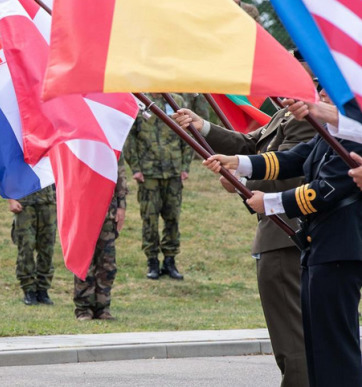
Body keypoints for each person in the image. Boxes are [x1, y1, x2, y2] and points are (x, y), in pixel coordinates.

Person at [174, 97, 317, 386]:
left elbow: (291, 172)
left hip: (286, 235)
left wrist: (243, 181)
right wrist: (203, 128)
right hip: (280, 234)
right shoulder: (286, 113)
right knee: (296, 338)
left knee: (293, 341)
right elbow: (250, 146)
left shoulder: (306, 117)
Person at [203, 128, 362, 387]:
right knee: (319, 348)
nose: (321, 93)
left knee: (336, 349)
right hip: (320, 248)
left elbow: (327, 188)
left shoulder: (355, 133)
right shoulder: (333, 132)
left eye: (326, 89)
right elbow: (294, 158)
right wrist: (239, 163)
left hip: (341, 249)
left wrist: (272, 202)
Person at [123, 94, 192, 280]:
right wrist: (135, 167)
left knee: (172, 218)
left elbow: (188, 133)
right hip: (149, 172)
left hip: (173, 171)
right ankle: (152, 260)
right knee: (149, 218)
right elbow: (130, 137)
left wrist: (185, 166)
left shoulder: (176, 100)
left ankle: (170, 260)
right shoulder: (139, 102)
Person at [74, 160, 128, 321]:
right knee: (85, 262)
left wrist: (121, 206)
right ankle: (84, 308)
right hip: (83, 207)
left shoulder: (113, 137)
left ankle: (102, 307)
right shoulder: (78, 139)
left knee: (107, 263)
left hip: (107, 210)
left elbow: (119, 171)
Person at [8, 186, 56, 306]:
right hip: (24, 203)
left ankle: (43, 289)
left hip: (48, 202)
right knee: (26, 248)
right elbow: (7, 172)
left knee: (47, 248)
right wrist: (11, 199)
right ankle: (28, 289)